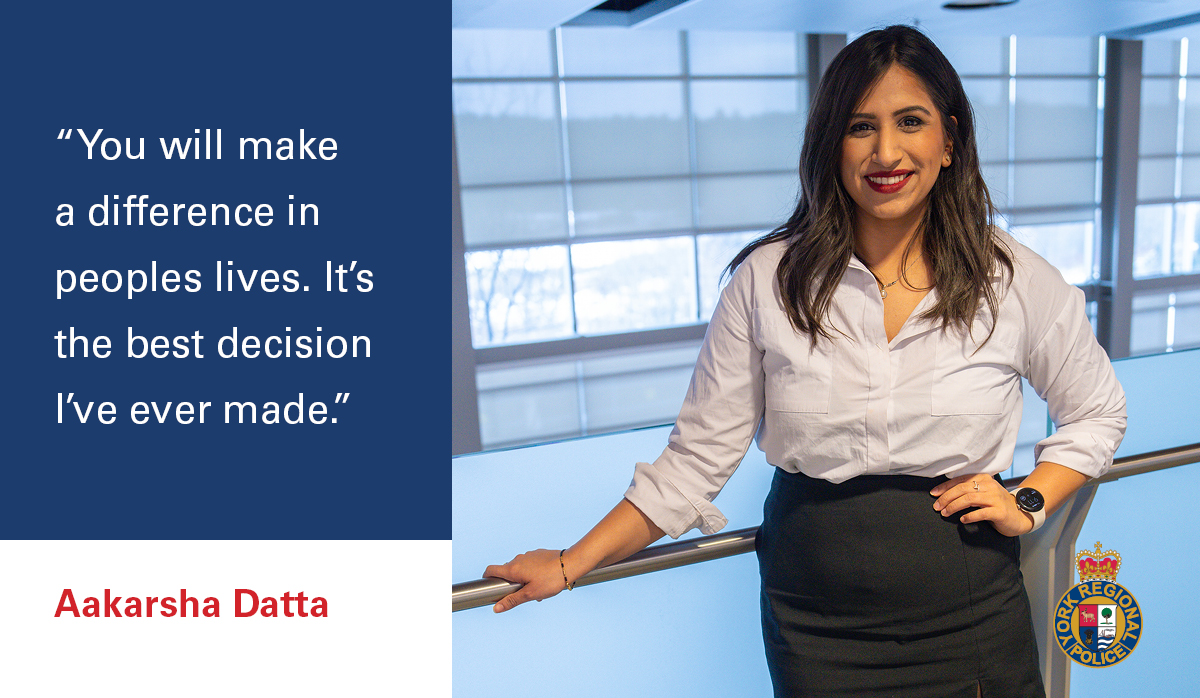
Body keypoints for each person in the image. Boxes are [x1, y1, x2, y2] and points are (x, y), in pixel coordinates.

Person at [484, 25, 1126, 698]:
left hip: (967, 611)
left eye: (911, 122)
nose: (886, 151)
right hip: (816, 627)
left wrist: (1027, 500)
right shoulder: (766, 280)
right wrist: (569, 562)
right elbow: (696, 459)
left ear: (950, 140)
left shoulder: (1013, 278)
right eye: (860, 127)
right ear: (831, 144)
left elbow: (1098, 411)